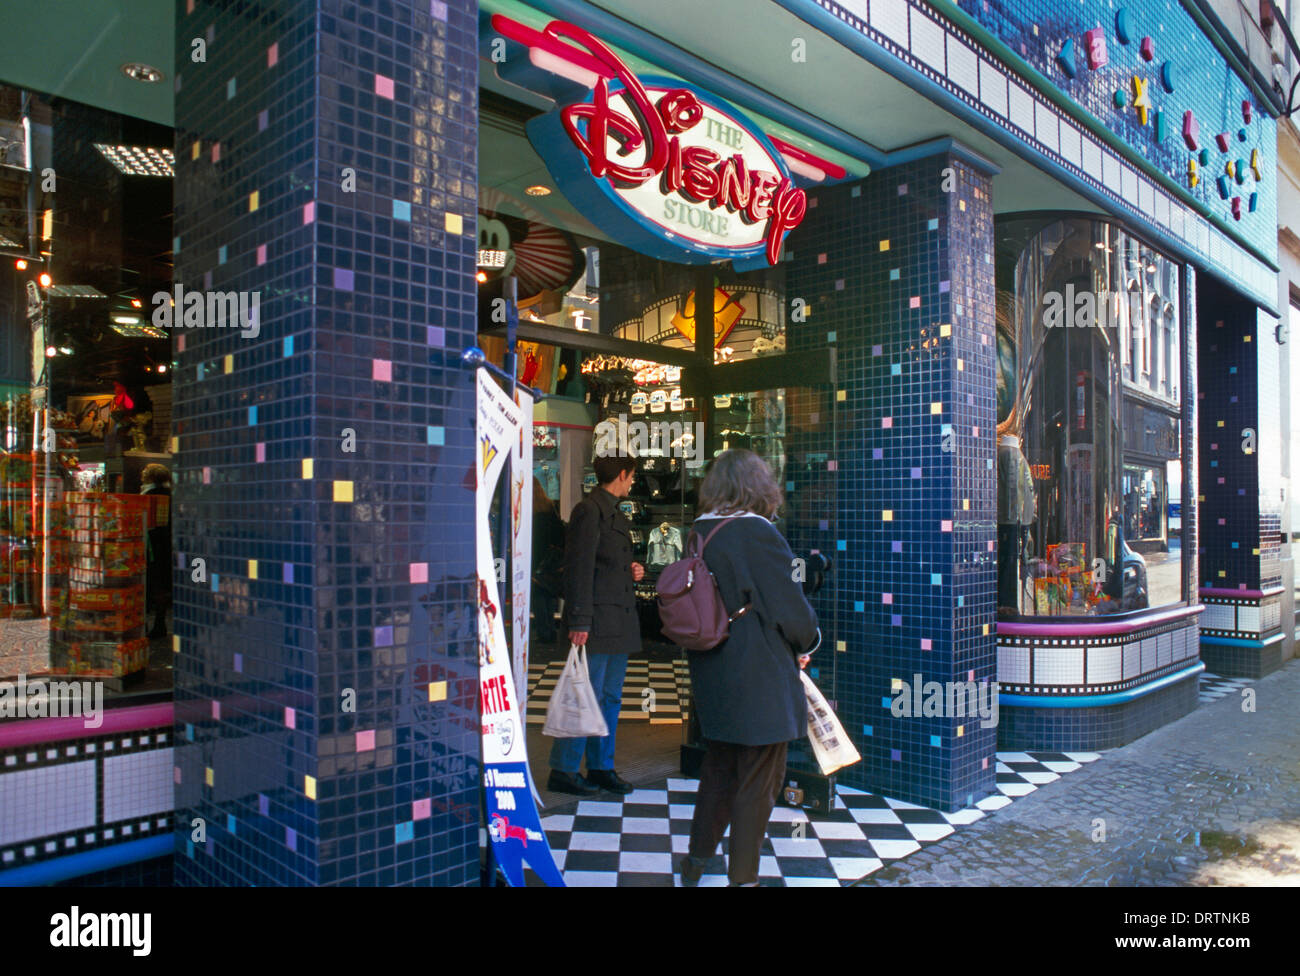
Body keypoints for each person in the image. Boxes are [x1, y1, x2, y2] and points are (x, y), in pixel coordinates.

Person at [676, 449, 819, 887]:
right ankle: (744, 880)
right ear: (759, 487)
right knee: (758, 782)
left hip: (713, 668)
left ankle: (696, 864)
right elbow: (788, 606)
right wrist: (808, 642)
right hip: (759, 671)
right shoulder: (758, 532)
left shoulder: (700, 531)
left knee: (719, 771)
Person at [547, 453, 645, 796]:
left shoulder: (613, 512)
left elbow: (605, 564)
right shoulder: (589, 511)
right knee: (583, 695)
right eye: (631, 475)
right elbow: (578, 568)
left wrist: (632, 570)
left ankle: (601, 766)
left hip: (617, 618)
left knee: (609, 698)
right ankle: (564, 769)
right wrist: (579, 619)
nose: (633, 481)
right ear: (622, 474)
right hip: (596, 621)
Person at [139, 463, 172, 638]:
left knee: (147, 586)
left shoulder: (146, 497)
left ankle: (141, 625)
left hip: (150, 547)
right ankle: (160, 622)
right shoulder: (173, 496)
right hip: (168, 546)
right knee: (162, 587)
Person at [531, 478, 564, 644]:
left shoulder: (531, 515)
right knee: (549, 595)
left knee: (538, 597)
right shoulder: (550, 509)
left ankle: (544, 631)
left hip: (536, 561)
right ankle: (549, 630)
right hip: (551, 562)